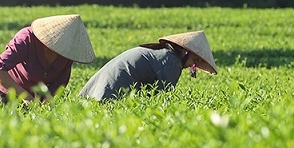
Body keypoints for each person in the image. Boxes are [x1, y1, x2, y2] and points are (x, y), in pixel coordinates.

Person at [79, 31, 217, 102]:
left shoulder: (161, 53)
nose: (192, 66)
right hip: (111, 93)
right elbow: (161, 99)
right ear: (185, 52)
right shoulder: (171, 62)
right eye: (195, 60)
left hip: (98, 88)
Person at [0, 14, 95, 103]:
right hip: (4, 93)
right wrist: (27, 97)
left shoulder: (67, 53)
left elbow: (59, 83)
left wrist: (47, 100)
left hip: (35, 100)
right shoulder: (27, 38)